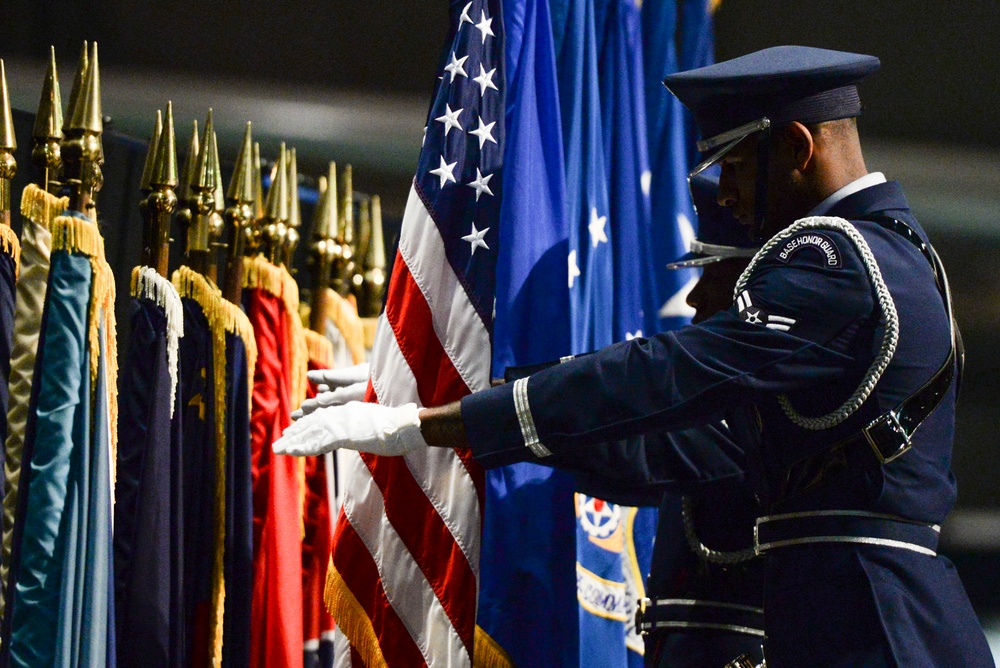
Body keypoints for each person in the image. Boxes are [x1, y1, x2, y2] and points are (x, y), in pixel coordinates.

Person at [276, 46, 994, 665]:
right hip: (860, 618)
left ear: (800, 148)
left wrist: (431, 423)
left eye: (738, 166)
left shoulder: (833, 259)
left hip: (875, 630)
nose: (732, 198)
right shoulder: (889, 255)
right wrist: (447, 403)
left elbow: (667, 375)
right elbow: (668, 439)